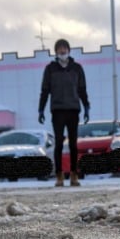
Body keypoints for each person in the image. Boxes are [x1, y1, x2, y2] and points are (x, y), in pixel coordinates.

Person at [38, 38, 90, 187]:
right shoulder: (50, 69)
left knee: (73, 144)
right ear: (56, 52)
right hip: (58, 110)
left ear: (68, 50)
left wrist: (86, 106)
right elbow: (45, 91)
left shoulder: (77, 68)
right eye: (60, 49)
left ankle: (74, 175)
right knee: (59, 144)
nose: (62, 51)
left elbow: (82, 89)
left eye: (64, 48)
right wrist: (41, 109)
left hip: (73, 110)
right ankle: (59, 176)